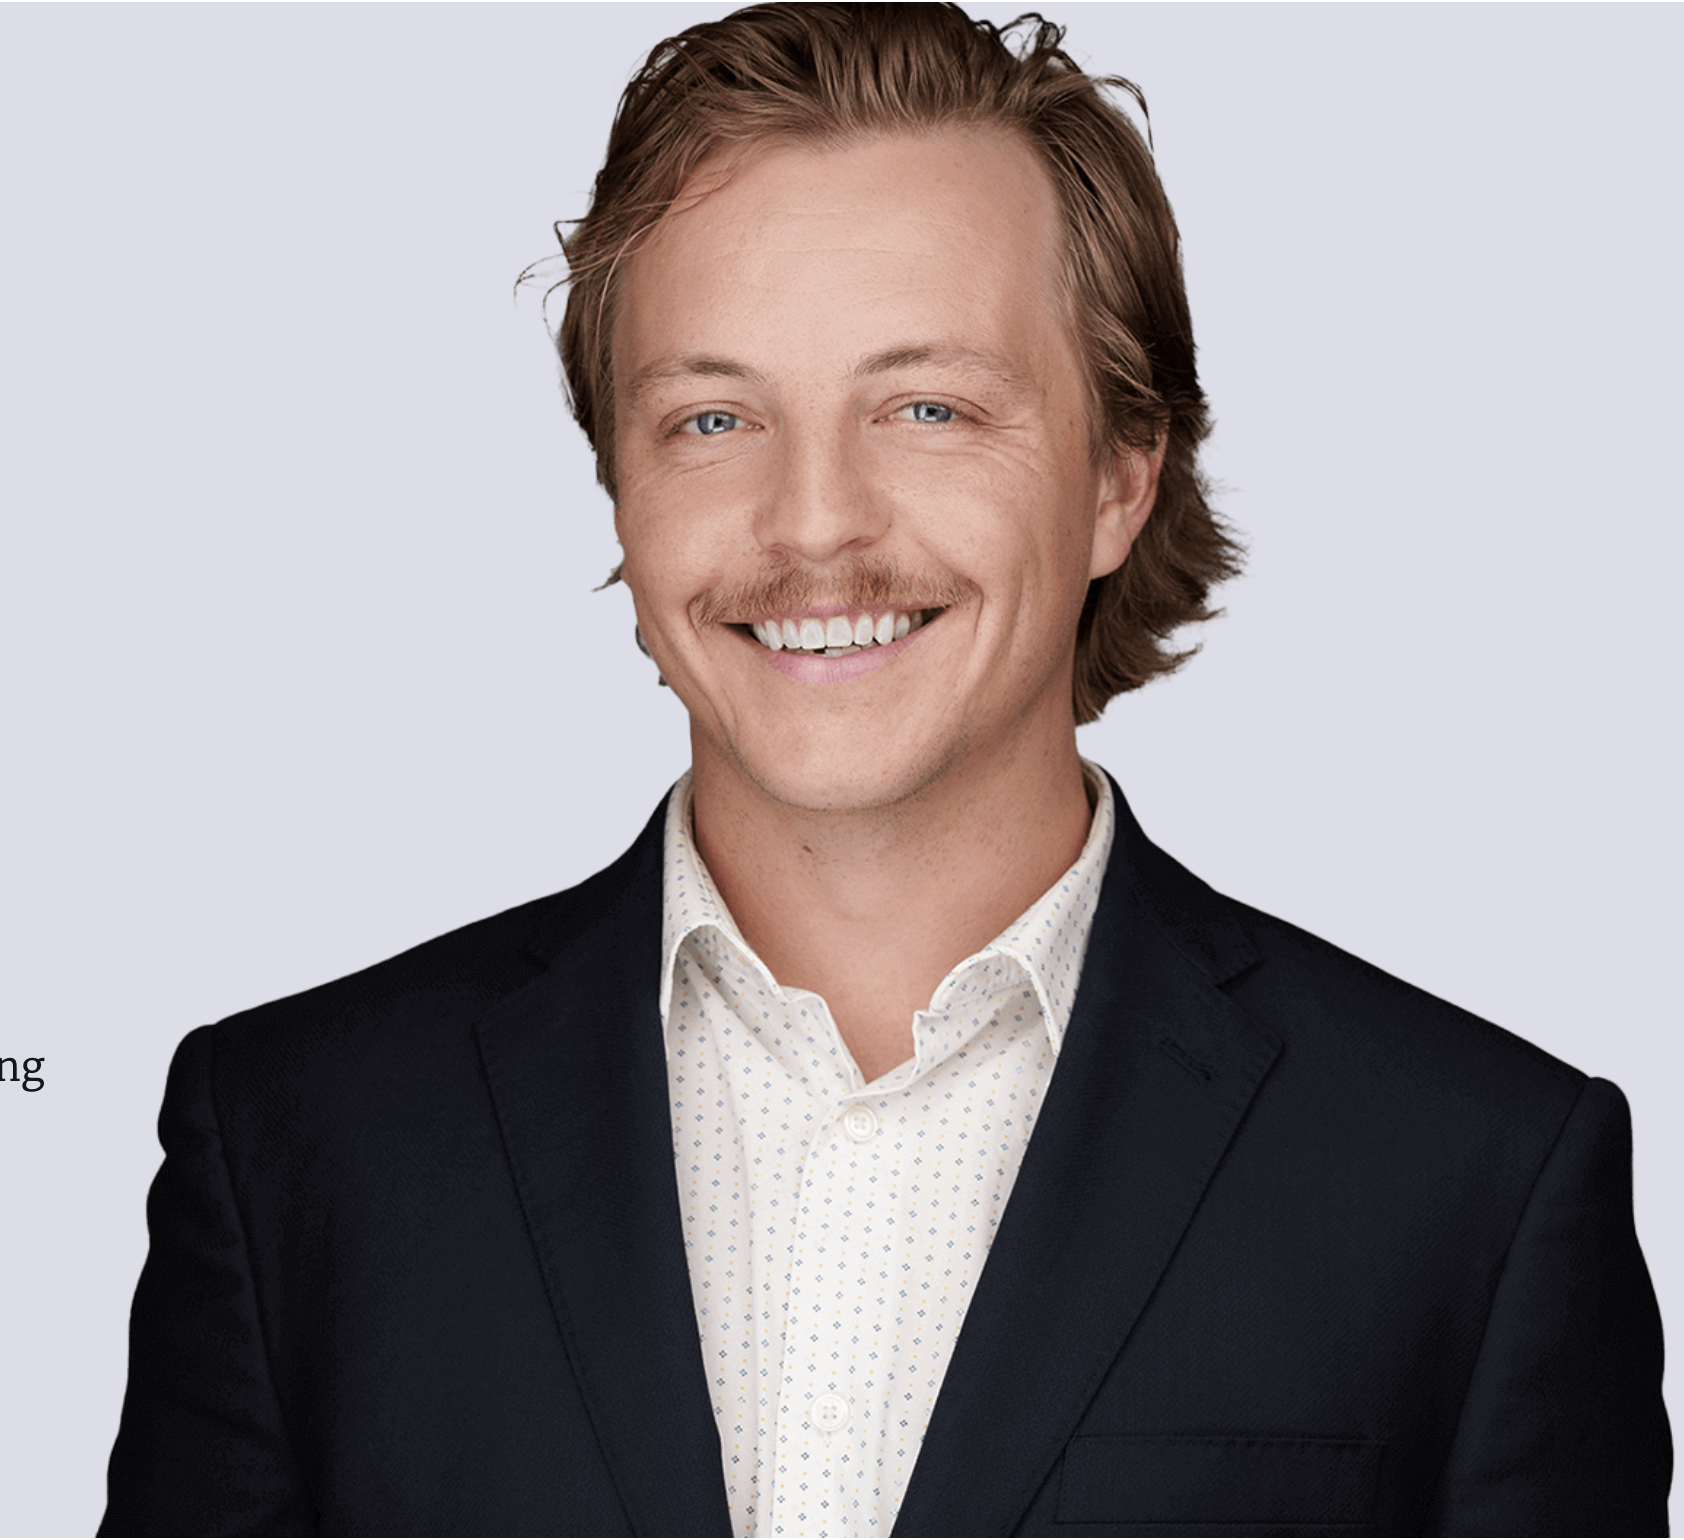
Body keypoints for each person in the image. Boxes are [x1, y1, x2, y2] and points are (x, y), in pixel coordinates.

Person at [100, 5, 1669, 1536]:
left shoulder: (1475, 1179)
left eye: (926, 407)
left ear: (1124, 478)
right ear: (622, 488)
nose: (812, 527)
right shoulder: (297, 1144)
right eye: (712, 419)